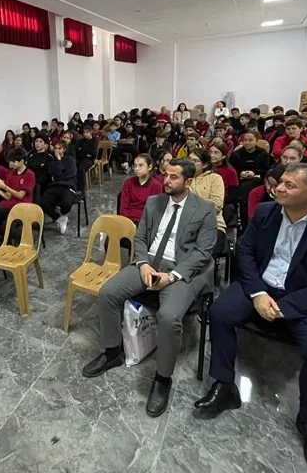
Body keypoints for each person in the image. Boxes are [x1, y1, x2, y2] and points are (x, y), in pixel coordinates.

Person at [193, 163, 307, 473]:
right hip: (262, 287)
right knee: (220, 313)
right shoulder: (267, 213)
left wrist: (284, 307)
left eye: (289, 186)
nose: (279, 188)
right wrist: (257, 294)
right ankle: (224, 386)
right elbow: (246, 254)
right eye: (280, 182)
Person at [80, 159, 217, 418]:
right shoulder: (154, 202)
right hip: (148, 264)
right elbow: (140, 237)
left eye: (174, 177)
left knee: (169, 317)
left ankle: (162, 379)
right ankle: (112, 353)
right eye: (166, 175)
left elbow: (203, 252)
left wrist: (172, 276)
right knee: (108, 293)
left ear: (188, 182)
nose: (167, 180)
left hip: (179, 270)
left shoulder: (204, 209)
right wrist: (142, 264)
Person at [0, 147, 36, 239]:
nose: (11, 164)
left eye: (14, 161)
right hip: (10, 204)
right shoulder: (11, 174)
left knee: (6, 224)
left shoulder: (29, 174)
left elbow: (20, 195)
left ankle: (6, 241)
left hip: (23, 206)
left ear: (22, 161)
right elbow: (8, 197)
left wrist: (3, 186)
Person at [189, 148, 227, 257]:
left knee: (203, 255)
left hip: (213, 225)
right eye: (189, 159)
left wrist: (192, 204)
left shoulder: (215, 178)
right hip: (186, 224)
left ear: (204, 164)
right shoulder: (183, 178)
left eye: (195, 161)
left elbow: (216, 205)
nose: (191, 163)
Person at [40, 141, 78, 234]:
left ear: (64, 150)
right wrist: (58, 161)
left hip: (68, 185)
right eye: (55, 148)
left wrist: (59, 175)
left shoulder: (70, 160)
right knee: (43, 202)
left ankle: (63, 214)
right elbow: (56, 173)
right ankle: (59, 218)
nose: (57, 150)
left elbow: (71, 173)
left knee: (66, 203)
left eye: (59, 148)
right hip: (55, 185)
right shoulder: (52, 162)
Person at [119, 154, 163, 224]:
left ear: (149, 167)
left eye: (140, 165)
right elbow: (123, 207)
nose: (136, 168)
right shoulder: (128, 183)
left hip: (145, 223)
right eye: (135, 166)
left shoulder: (156, 186)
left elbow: (153, 211)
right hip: (127, 221)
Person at [229, 130, 271, 196]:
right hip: (240, 179)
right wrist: (241, 173)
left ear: (256, 141)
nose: (247, 143)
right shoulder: (237, 154)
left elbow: (266, 169)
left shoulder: (263, 153)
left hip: (257, 179)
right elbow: (232, 169)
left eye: (250, 140)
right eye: (245, 140)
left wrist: (254, 173)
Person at [74, 126, 97, 191]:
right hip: (80, 158)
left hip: (89, 159)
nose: (85, 134)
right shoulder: (80, 141)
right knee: (72, 165)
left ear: (91, 132)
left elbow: (93, 153)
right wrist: (85, 152)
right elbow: (76, 150)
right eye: (84, 132)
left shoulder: (94, 141)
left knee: (81, 169)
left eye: (87, 132)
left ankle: (81, 188)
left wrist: (82, 150)